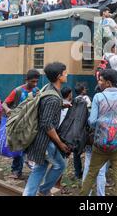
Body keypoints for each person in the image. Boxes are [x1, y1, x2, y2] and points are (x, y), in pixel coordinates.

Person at [80, 69, 117, 196]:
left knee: (91, 173)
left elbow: (92, 122)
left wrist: (103, 122)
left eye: (100, 80)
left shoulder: (98, 97)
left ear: (108, 83)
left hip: (100, 145)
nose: (99, 82)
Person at [23, 62, 71, 196]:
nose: (66, 74)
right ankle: (43, 191)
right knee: (59, 165)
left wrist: (63, 104)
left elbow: (46, 108)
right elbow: (47, 124)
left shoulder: (47, 88)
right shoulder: (53, 98)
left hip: (40, 139)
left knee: (40, 168)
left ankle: (35, 192)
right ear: (59, 76)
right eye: (64, 72)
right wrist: (60, 144)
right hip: (45, 141)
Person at [2, 69, 41, 180]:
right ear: (26, 80)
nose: (35, 84)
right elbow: (4, 103)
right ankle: (16, 171)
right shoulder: (17, 91)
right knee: (18, 149)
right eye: (33, 82)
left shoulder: (36, 90)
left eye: (36, 82)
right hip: (18, 124)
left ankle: (30, 168)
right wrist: (8, 110)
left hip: (31, 123)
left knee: (29, 147)